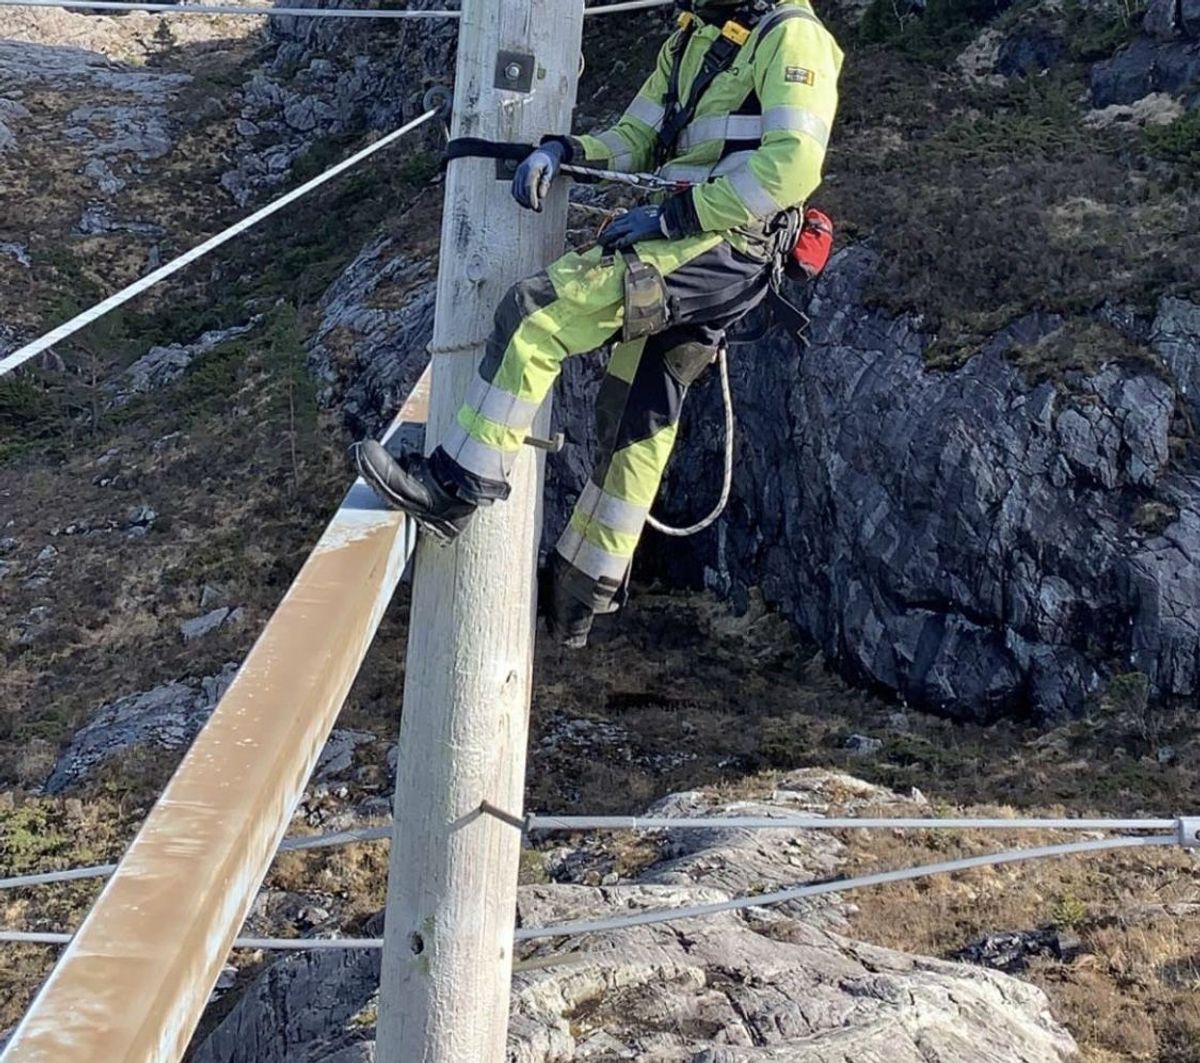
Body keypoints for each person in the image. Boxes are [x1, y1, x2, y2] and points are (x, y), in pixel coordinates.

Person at [355, 0, 843, 648]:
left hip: (721, 243)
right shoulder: (696, 35)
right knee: (638, 408)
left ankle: (455, 485)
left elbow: (791, 168)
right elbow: (634, 136)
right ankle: (583, 585)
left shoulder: (794, 38)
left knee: (536, 314)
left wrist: (675, 218)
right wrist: (565, 149)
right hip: (700, 238)